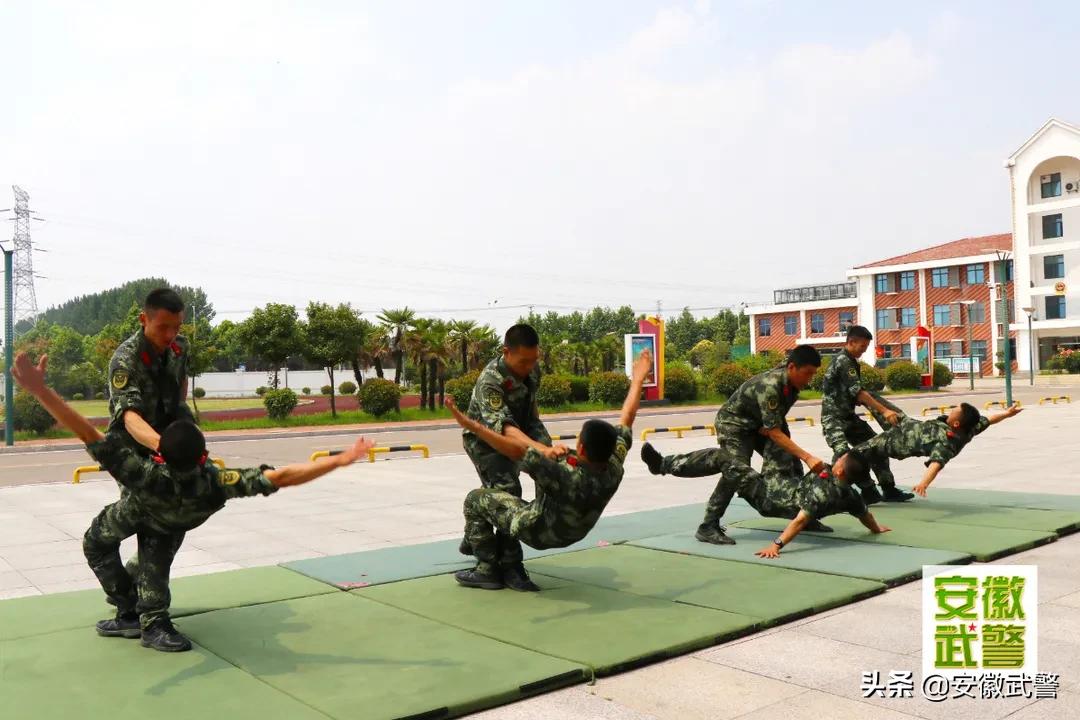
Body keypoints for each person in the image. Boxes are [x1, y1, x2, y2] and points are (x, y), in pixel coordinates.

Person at [11, 351, 375, 653]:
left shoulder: (145, 473)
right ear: (204, 457)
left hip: (135, 511)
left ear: (160, 456)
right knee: (150, 570)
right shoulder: (215, 483)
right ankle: (149, 622)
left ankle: (130, 612)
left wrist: (41, 391)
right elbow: (281, 476)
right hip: (173, 526)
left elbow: (84, 429)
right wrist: (341, 459)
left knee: (96, 543)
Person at [447, 350, 652, 591]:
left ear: (581, 446)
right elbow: (627, 418)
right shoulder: (614, 465)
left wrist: (473, 426)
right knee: (507, 494)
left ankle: (487, 569)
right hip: (574, 533)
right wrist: (638, 379)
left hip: (539, 532)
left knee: (476, 500)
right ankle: (485, 548)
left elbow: (514, 450)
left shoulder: (561, 472)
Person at [640, 345, 827, 546]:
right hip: (734, 424)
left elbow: (776, 425)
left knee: (790, 459)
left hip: (757, 426)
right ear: (792, 367)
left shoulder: (790, 382)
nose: (809, 379)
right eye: (807, 373)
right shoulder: (771, 386)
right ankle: (707, 524)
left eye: (813, 374)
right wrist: (807, 456)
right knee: (735, 468)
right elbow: (774, 431)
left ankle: (801, 516)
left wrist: (790, 449)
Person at [459, 323, 562, 591]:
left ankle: (476, 538)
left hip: (523, 429)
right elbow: (505, 429)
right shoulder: (490, 381)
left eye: (534, 360)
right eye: (524, 361)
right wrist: (539, 449)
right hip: (487, 442)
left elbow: (531, 412)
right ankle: (500, 567)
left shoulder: (532, 368)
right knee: (507, 493)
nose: (530, 366)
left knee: (551, 469)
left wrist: (546, 450)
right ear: (506, 352)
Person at [820, 325, 913, 504]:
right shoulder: (844, 361)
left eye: (866, 347)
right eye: (862, 346)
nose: (864, 350)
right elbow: (859, 392)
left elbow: (851, 392)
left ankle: (888, 489)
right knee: (843, 455)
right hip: (834, 419)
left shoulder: (850, 361)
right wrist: (884, 411)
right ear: (851, 342)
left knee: (876, 449)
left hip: (849, 418)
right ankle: (855, 491)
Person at [749, 446, 892, 558]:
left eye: (841, 459)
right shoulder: (851, 495)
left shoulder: (823, 494)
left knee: (768, 457)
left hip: (777, 499)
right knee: (788, 454)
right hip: (797, 489)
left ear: (840, 471)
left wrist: (776, 545)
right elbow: (866, 515)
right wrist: (876, 528)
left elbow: (800, 521)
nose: (838, 458)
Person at [860, 401, 1022, 497]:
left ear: (956, 424)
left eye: (953, 412)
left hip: (897, 442)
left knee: (855, 454)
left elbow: (936, 464)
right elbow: (990, 419)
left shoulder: (948, 442)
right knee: (874, 400)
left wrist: (923, 483)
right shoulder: (971, 427)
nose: (950, 412)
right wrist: (1007, 413)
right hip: (907, 423)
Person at [108, 288, 195, 458]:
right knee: (150, 484)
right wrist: (163, 447)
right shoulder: (125, 359)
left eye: (176, 328)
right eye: (162, 328)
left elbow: (181, 385)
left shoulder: (181, 347)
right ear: (143, 319)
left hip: (171, 437)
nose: (170, 335)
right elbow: (130, 417)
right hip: (133, 448)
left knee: (202, 481)